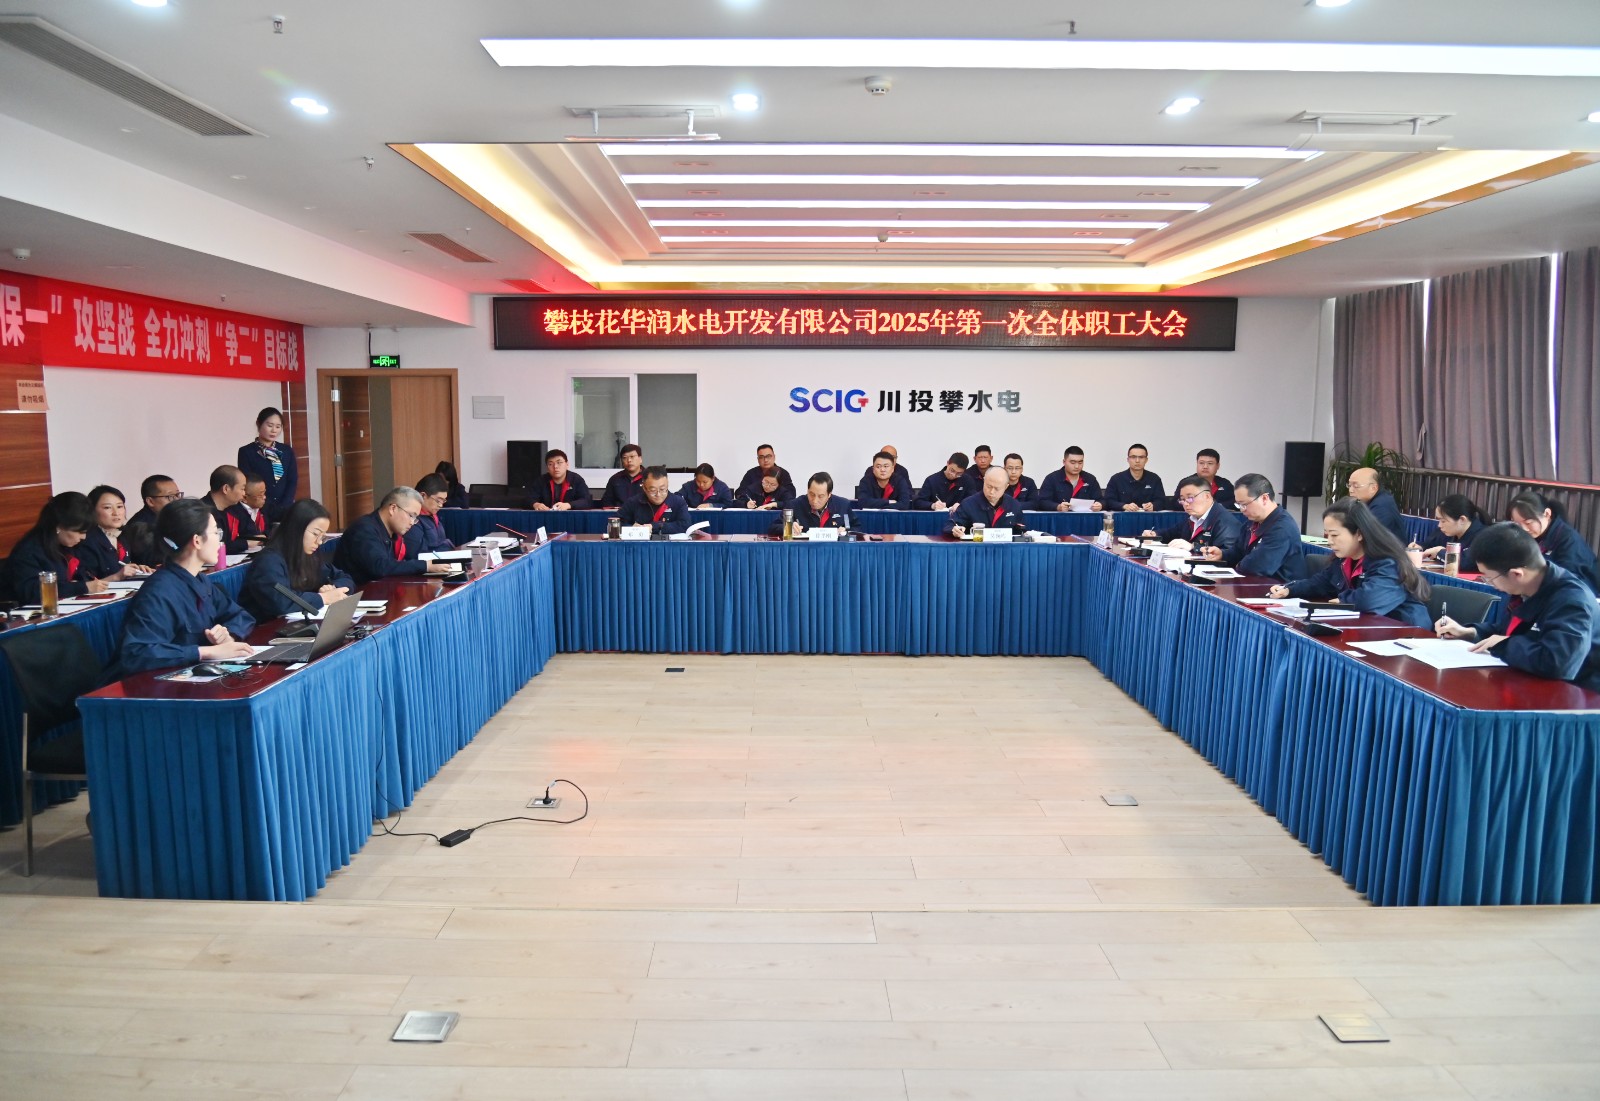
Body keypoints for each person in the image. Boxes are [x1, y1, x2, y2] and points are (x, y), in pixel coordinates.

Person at [1435, 523, 1600, 691]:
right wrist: (1470, 632)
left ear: (1516, 574)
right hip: (1531, 684)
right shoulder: (1527, 586)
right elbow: (1508, 632)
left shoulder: (1572, 601)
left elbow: (1558, 663)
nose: (1491, 584)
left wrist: (1505, 645)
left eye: (1490, 578)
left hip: (1577, 695)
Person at [114, 498, 256, 675]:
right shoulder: (159, 592)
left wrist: (229, 635)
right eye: (215, 533)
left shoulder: (200, 580)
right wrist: (205, 652)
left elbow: (241, 615)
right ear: (197, 541)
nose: (220, 542)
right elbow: (137, 653)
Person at [1268, 498, 1432, 628]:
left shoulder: (1387, 562)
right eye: (1327, 535)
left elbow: (1370, 599)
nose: (1329, 541)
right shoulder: (1344, 559)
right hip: (1370, 629)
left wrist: (1343, 600)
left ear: (1359, 534)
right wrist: (1290, 589)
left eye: (1334, 535)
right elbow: (1321, 582)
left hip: (1406, 632)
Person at [240, 498, 354, 622]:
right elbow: (282, 603)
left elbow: (344, 577)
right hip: (267, 628)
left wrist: (334, 588)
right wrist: (323, 598)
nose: (319, 542)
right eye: (315, 534)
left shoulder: (308, 556)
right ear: (295, 528)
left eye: (322, 536)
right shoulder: (268, 562)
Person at [0, 492, 110, 604]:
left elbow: (82, 574)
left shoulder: (68, 546)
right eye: (80, 532)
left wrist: (83, 583)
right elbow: (33, 592)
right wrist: (81, 587)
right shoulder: (29, 551)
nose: (83, 537)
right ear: (59, 526)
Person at [333, 486, 454, 586]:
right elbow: (380, 567)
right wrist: (425, 566)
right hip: (357, 596)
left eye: (415, 518)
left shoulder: (389, 531)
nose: (412, 522)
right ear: (393, 508)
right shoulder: (364, 529)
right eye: (411, 516)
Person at [1507, 491, 1598, 595]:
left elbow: (1568, 580)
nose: (1524, 529)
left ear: (1547, 514)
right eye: (1517, 524)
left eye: (1528, 523)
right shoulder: (1528, 535)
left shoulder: (1569, 541)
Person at [1228, 473, 1309, 582]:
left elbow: (1258, 566)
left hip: (1281, 588)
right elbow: (1238, 551)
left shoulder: (1282, 528)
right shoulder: (1252, 522)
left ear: (1264, 498)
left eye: (1244, 504)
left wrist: (1239, 565)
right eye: (1238, 505)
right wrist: (1222, 554)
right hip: (1254, 584)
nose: (1242, 509)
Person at [1144, 475, 1242, 560]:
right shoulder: (1194, 517)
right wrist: (1154, 534)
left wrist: (1193, 547)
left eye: (1190, 498)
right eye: (1182, 499)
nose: (1186, 503)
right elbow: (1171, 533)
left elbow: (1226, 555)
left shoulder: (1226, 522)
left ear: (1207, 496)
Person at [237, 406, 298, 525]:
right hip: (260, 507)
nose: (274, 430)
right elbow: (248, 483)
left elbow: (292, 479)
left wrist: (285, 504)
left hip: (285, 507)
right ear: (258, 424)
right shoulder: (246, 451)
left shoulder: (286, 450)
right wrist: (265, 505)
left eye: (278, 426)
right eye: (270, 425)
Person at [78, 485, 151, 581]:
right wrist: (117, 576)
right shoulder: (87, 540)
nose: (116, 513)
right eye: (107, 507)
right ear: (92, 511)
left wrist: (137, 570)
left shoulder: (123, 535)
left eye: (119, 506)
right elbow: (87, 583)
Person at [1413, 494, 1489, 572]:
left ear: (1462, 520)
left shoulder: (1485, 537)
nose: (1439, 525)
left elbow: (1465, 563)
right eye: (1439, 520)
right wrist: (1419, 548)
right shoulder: (1449, 532)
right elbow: (1429, 545)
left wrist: (1439, 552)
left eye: (1443, 521)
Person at [945, 467, 1027, 537]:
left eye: (997, 488)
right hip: (976, 548)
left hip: (1004, 548)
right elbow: (949, 525)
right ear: (984, 481)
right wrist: (954, 530)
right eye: (989, 486)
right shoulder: (968, 504)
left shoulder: (1014, 506)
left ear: (1006, 487)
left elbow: (1021, 530)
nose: (991, 492)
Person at [123, 473, 182, 568]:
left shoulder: (167, 519)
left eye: (177, 495)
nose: (177, 500)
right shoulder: (140, 527)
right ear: (150, 501)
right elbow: (157, 560)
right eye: (170, 496)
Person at [205, 465, 260, 556]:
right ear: (226, 489)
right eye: (242, 489)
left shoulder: (234, 508)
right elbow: (215, 546)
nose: (244, 494)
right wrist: (246, 543)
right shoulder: (202, 512)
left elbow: (250, 531)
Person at [1344, 467, 1408, 545]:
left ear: (1373, 488)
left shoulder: (1382, 507)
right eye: (1349, 485)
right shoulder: (1364, 501)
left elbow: (1363, 537)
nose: (1350, 490)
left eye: (1356, 486)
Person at [619, 467, 691, 534]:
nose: (658, 494)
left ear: (667, 485)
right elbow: (618, 523)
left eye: (662, 489)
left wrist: (655, 526)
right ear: (644, 488)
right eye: (653, 490)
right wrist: (632, 528)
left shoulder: (678, 502)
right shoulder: (633, 502)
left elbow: (685, 525)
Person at [1036, 446, 1103, 512]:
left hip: (1084, 517)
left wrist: (1099, 505)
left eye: (1080, 462)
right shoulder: (1052, 478)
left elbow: (1101, 500)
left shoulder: (1090, 479)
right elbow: (1042, 502)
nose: (1077, 466)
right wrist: (1058, 507)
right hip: (1060, 517)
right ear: (1064, 462)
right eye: (1073, 463)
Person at [1103, 444, 1166, 512]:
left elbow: (1162, 501)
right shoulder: (1116, 479)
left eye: (1141, 457)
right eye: (1133, 457)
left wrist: (1153, 505)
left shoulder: (1154, 479)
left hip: (1147, 516)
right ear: (1128, 459)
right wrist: (1124, 506)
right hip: (1123, 517)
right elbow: (1108, 501)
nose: (1137, 461)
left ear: (1146, 460)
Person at [404, 473, 455, 555]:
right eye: (438, 500)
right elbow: (418, 555)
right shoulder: (412, 520)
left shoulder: (433, 516)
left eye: (443, 501)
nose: (441, 505)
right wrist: (447, 545)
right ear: (422, 496)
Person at [600, 443, 646, 508]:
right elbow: (606, 502)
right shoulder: (615, 479)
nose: (629, 460)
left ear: (640, 459)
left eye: (632, 456)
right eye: (625, 458)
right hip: (620, 513)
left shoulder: (648, 478)